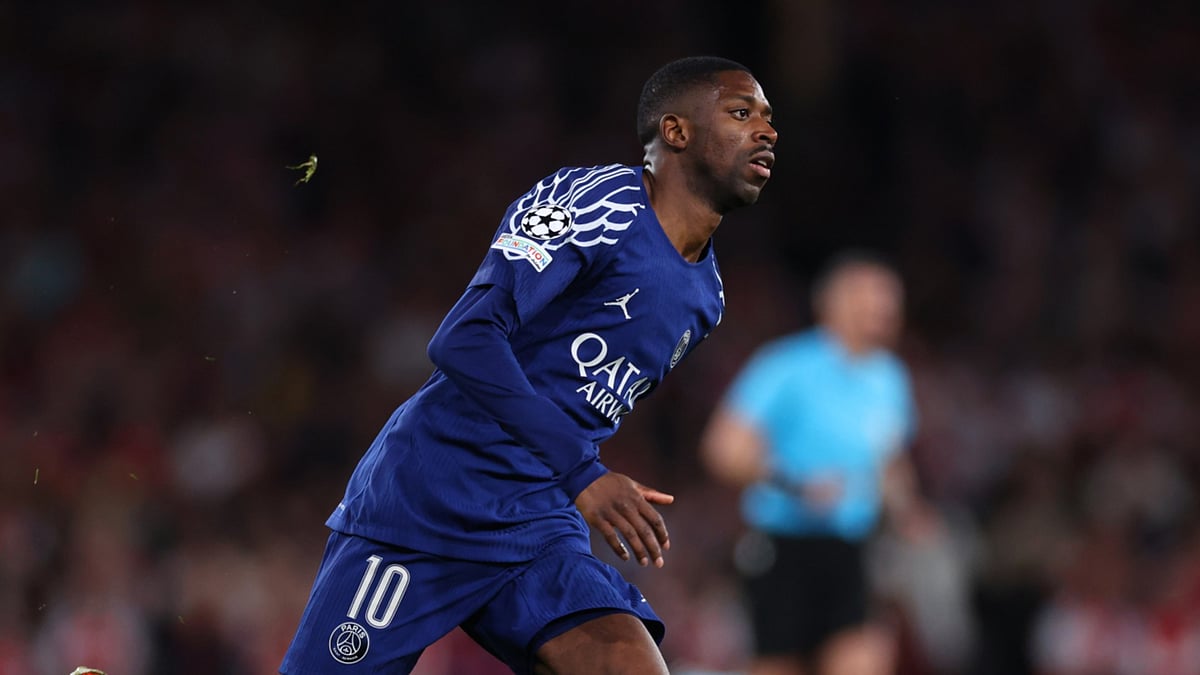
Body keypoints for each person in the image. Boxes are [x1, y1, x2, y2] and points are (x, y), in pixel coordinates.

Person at [280, 55, 778, 675]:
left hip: (535, 521)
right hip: (430, 497)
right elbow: (464, 338)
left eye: (767, 118)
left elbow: (578, 401)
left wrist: (571, 473)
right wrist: (582, 472)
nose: (767, 130)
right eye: (741, 113)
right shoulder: (598, 202)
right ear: (675, 132)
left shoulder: (707, 299)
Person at [700, 251, 933, 675]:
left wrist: (907, 511)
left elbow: (888, 460)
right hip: (785, 547)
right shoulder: (785, 366)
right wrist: (794, 483)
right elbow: (723, 448)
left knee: (864, 658)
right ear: (834, 303)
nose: (883, 310)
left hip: (851, 548)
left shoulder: (889, 378)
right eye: (871, 298)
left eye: (889, 300)